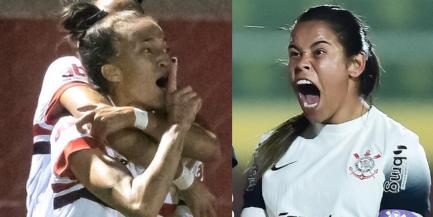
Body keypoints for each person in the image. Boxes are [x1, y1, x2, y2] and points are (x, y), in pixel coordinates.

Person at [26, 0, 220, 216]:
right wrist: (186, 180)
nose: (164, 59)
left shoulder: (174, 129)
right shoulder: (70, 85)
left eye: (165, 48)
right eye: (147, 49)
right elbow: (107, 125)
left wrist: (140, 118)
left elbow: (210, 148)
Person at [240, 5, 431, 217]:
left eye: (319, 52)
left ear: (356, 64)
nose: (301, 62)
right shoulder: (269, 148)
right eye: (295, 53)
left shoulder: (398, 149)